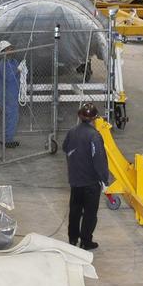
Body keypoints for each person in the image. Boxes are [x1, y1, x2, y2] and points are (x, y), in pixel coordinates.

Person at [63, 102, 110, 250]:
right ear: (95, 118)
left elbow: (65, 148)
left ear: (80, 116)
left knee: (75, 210)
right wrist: (104, 179)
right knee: (90, 213)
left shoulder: (72, 132)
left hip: (75, 180)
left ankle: (72, 239)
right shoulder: (94, 136)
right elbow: (99, 159)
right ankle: (86, 241)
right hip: (90, 182)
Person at [0, 41, 20, 148]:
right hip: (7, 94)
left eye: (11, 48)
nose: (12, 50)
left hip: (13, 93)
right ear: (4, 51)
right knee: (11, 116)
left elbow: (19, 75)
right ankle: (8, 140)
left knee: (10, 116)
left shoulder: (14, 62)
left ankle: (6, 138)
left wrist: (21, 69)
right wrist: (18, 70)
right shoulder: (2, 66)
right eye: (9, 48)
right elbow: (9, 77)